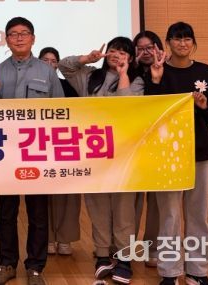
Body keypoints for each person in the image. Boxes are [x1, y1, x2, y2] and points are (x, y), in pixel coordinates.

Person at [0, 17, 65, 285]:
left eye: (24, 33)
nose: (19, 38)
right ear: (6, 40)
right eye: (13, 34)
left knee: (38, 213)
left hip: (38, 152)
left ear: (33, 38)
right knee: (6, 212)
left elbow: (61, 111)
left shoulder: (47, 72)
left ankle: (35, 267)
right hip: (6, 152)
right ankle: (6, 264)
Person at [147, 22, 208, 285]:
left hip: (199, 152)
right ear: (168, 43)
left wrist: (205, 106)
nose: (182, 43)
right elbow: (149, 111)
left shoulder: (206, 72)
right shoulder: (158, 71)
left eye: (187, 39)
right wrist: (156, 80)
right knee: (169, 216)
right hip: (167, 155)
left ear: (193, 43)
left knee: (197, 215)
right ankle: (169, 273)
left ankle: (197, 271)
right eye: (177, 39)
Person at [58, 37, 144, 285]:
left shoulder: (137, 80)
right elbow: (64, 66)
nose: (117, 55)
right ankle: (103, 255)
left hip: (124, 154)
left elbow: (127, 106)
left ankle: (124, 258)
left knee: (124, 208)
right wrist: (87, 58)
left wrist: (123, 73)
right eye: (114, 50)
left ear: (131, 58)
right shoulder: (90, 76)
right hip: (93, 152)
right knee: (97, 207)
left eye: (123, 52)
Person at [37, 47, 81, 257]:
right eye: (44, 60)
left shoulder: (68, 85)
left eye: (53, 61)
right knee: (42, 195)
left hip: (64, 144)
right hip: (38, 145)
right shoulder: (33, 84)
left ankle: (64, 238)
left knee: (67, 194)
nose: (49, 64)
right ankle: (47, 238)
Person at [132, 30, 165, 267]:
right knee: (130, 201)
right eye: (140, 48)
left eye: (149, 47)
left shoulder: (169, 71)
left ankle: (153, 248)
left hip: (160, 145)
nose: (145, 52)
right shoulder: (128, 73)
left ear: (158, 47)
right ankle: (126, 247)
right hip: (132, 145)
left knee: (156, 202)